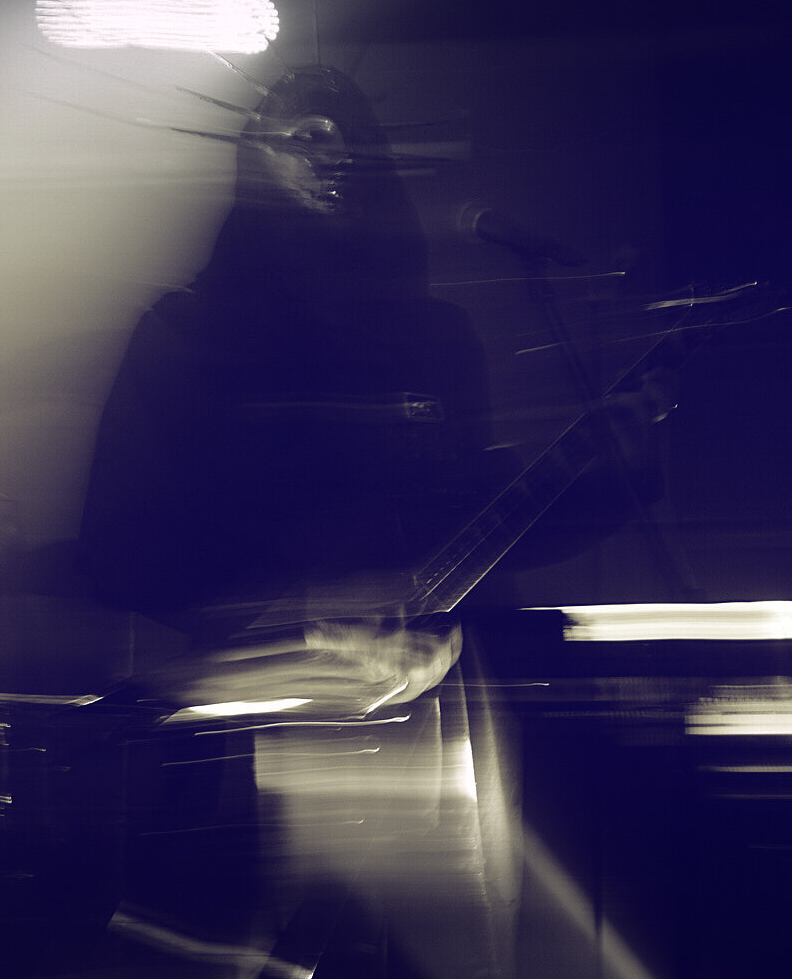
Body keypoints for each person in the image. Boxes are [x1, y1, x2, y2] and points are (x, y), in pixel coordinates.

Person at [73, 65, 658, 978]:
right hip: (245, 720)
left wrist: (612, 472)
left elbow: (475, 524)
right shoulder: (184, 336)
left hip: (420, 723)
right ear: (251, 158)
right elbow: (119, 539)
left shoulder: (432, 337)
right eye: (301, 135)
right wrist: (289, 604)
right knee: (228, 946)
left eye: (349, 136)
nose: (332, 154)